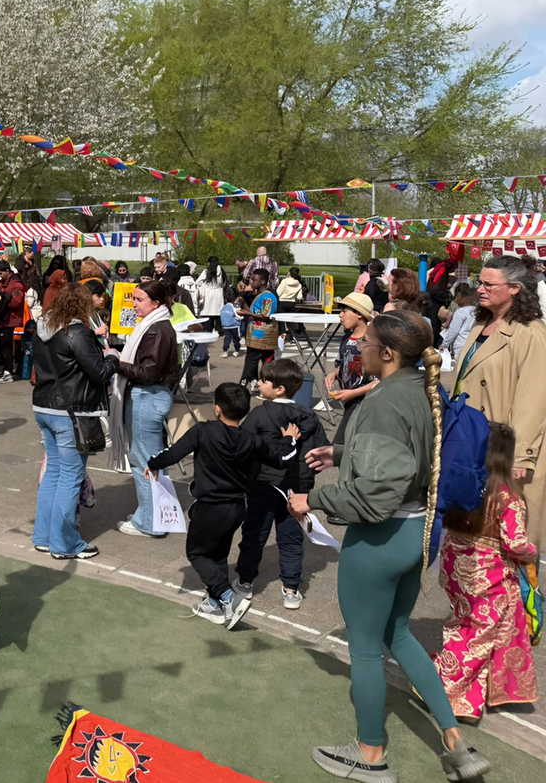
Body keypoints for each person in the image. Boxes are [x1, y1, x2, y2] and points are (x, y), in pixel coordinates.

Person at [290, 311, 491, 783]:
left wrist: (311, 498)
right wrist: (339, 453)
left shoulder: (383, 400)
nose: (357, 345)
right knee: (397, 634)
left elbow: (376, 492)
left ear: (388, 353)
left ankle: (370, 754)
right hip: (417, 532)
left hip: (379, 538)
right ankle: (454, 738)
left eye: (365, 340)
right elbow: (408, 452)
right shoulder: (420, 386)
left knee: (364, 650)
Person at [146, 382, 298, 628]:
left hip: (208, 507)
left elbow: (173, 454)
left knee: (196, 553)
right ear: (245, 411)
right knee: (218, 554)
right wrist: (289, 440)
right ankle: (215, 602)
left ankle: (228, 597)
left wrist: (153, 463)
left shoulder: (202, 431)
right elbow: (282, 459)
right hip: (237, 508)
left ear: (217, 409)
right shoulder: (251, 440)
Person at [435, 422, 538, 722]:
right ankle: (443, 688)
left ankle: (474, 697)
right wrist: (531, 553)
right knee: (478, 636)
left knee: (463, 622)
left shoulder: (463, 481)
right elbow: (516, 544)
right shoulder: (508, 496)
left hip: (455, 565)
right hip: (488, 575)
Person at [455, 254, 546, 554]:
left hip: (504, 454)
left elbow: (533, 400)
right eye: (479, 282)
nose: (479, 289)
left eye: (488, 284)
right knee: (473, 545)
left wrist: (520, 457)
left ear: (515, 289)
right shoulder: (480, 325)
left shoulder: (531, 334)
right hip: (472, 445)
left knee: (506, 548)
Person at [31, 282, 122, 559]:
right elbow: (98, 373)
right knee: (70, 476)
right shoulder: (77, 332)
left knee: (54, 474)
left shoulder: (41, 328)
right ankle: (64, 543)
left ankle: (44, 536)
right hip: (72, 412)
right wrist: (113, 358)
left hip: (44, 406)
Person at [234, 358, 329, 611]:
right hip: (298, 489)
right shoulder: (310, 415)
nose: (260, 383)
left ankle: (245, 581)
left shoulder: (259, 413)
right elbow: (322, 450)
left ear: (280, 389)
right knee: (291, 539)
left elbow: (243, 445)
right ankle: (291, 589)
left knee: (254, 534)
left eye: (264, 380)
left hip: (264, 485)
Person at [115, 280, 181, 539]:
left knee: (144, 461)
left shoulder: (155, 329)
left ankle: (149, 521)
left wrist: (117, 362)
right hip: (152, 396)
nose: (134, 304)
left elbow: (148, 372)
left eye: (139, 299)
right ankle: (154, 514)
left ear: (156, 303)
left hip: (148, 396)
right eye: (134, 298)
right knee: (152, 460)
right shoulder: (158, 325)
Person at [327, 292, 377, 447]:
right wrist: (335, 374)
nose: (340, 315)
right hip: (348, 400)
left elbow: (380, 380)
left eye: (344, 311)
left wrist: (353, 393)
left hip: (365, 401)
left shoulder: (371, 341)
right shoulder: (347, 337)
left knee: (340, 446)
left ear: (359, 314)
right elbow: (345, 363)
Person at [239, 268, 278, 392]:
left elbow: (265, 315)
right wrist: (243, 303)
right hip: (256, 334)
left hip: (262, 335)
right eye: (251, 279)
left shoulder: (268, 296)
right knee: (263, 361)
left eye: (254, 279)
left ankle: (243, 385)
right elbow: (252, 312)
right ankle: (261, 385)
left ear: (262, 281)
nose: (251, 282)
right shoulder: (259, 295)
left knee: (254, 360)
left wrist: (245, 313)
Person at [0, 260, 26, 383]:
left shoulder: (16, 284)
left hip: (11, 320)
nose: (0, 276)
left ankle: (8, 371)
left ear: (8, 271)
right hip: (4, 318)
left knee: (7, 345)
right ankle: (6, 370)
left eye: (1, 273)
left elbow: (16, 302)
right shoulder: (3, 283)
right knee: (3, 344)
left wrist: (3, 299)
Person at [440, 283, 477, 355]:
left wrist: (444, 344)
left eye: (457, 298)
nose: (456, 300)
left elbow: (454, 330)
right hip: (473, 345)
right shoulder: (476, 311)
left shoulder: (460, 312)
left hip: (460, 345)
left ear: (463, 299)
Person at [196, 257, 227, 333]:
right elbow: (224, 283)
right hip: (218, 293)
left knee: (208, 312)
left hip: (208, 294)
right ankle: (217, 330)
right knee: (217, 312)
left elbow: (198, 282)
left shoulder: (206, 272)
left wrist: (205, 285)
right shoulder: (221, 272)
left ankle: (208, 329)